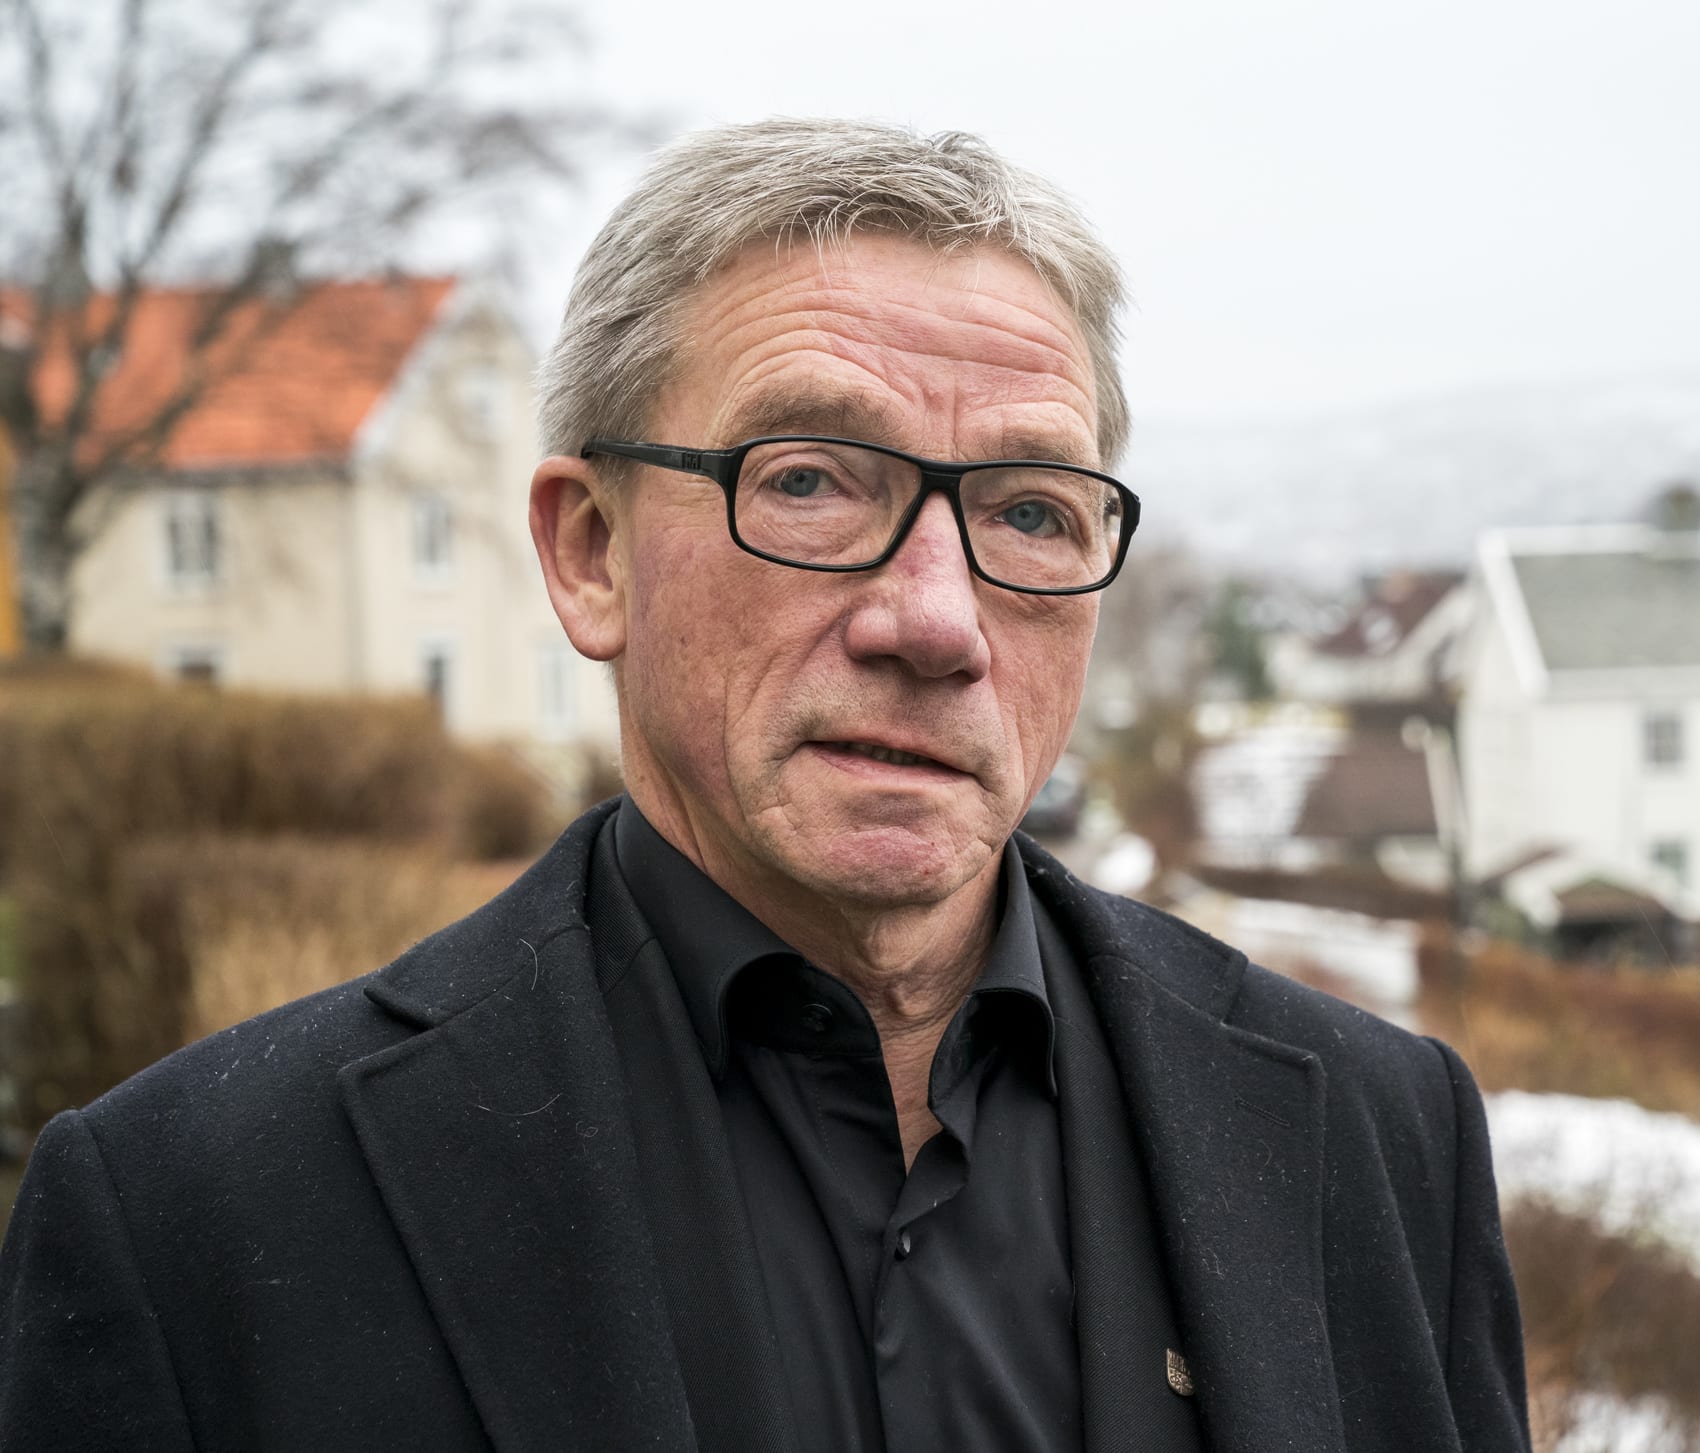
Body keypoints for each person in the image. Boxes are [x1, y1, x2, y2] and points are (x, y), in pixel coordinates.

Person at [0, 119, 1529, 1452]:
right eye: (808, 479)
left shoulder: (1382, 1145)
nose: (937, 618)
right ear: (590, 552)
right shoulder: (197, 1220)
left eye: (1031, 512)